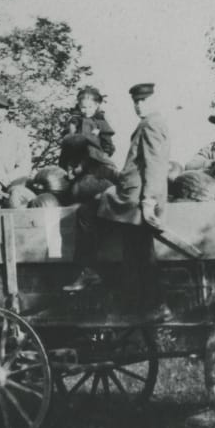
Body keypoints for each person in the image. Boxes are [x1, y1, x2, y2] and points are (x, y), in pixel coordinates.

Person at [64, 82, 172, 322]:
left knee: (87, 213)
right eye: (136, 101)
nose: (138, 105)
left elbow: (154, 166)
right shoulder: (152, 123)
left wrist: (148, 200)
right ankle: (151, 304)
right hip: (133, 194)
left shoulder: (151, 124)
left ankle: (90, 270)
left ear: (155, 101)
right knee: (138, 252)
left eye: (144, 101)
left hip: (134, 197)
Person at [59, 86, 116, 166]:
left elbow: (107, 142)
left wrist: (105, 154)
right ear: (79, 106)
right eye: (83, 107)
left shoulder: (101, 123)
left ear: (96, 106)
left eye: (90, 107)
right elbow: (69, 137)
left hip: (95, 156)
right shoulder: (76, 121)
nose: (86, 110)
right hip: (76, 155)